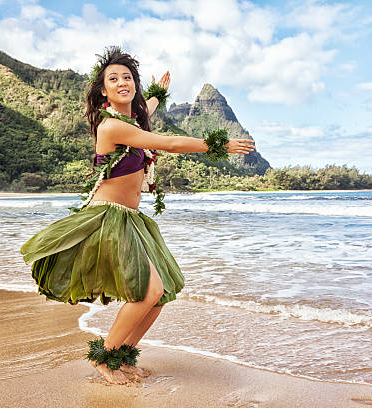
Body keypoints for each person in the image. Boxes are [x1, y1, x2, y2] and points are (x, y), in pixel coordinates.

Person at [20, 47, 255, 385]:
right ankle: (103, 359)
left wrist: (158, 92)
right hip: (107, 219)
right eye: (113, 79)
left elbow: (148, 110)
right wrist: (219, 144)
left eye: (127, 77)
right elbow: (169, 142)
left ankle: (120, 358)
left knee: (160, 295)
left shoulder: (133, 119)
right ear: (104, 91)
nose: (121, 82)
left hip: (131, 219)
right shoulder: (112, 126)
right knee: (148, 291)